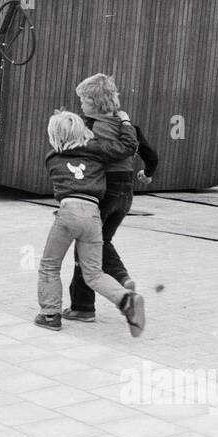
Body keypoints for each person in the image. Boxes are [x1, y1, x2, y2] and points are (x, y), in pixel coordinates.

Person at [35, 109, 145, 336]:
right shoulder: (99, 152)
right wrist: (125, 122)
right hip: (93, 215)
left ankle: (50, 315)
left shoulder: (52, 156)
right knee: (93, 273)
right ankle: (126, 299)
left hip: (68, 212)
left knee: (49, 266)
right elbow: (127, 147)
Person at [66, 74, 159, 322]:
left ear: (94, 101)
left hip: (103, 191)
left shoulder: (87, 126)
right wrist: (147, 175)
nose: (81, 105)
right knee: (102, 240)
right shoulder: (127, 126)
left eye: (83, 100)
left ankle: (82, 307)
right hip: (126, 192)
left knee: (86, 246)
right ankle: (122, 278)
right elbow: (152, 156)